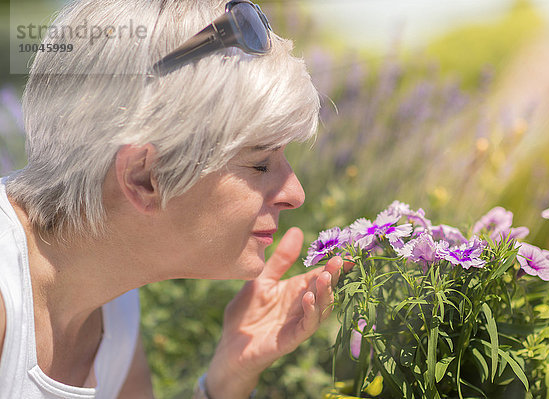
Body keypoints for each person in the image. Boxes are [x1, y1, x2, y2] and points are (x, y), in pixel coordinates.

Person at [0, 0, 348, 397]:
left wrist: (228, 378)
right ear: (144, 177)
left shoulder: (109, 296)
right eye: (260, 165)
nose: (295, 194)